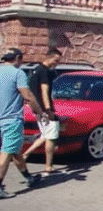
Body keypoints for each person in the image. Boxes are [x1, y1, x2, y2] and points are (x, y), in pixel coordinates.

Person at [0, 48, 45, 199]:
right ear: (17, 58)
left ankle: (29, 178)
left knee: (14, 150)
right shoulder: (18, 73)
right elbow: (28, 96)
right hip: (10, 120)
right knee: (6, 153)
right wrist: (39, 113)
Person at [21, 47, 62, 176]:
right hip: (44, 108)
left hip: (36, 108)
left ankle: (25, 154)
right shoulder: (44, 72)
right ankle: (48, 166)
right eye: (56, 60)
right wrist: (49, 110)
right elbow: (44, 91)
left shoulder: (35, 70)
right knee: (51, 137)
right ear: (49, 57)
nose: (56, 63)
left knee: (45, 134)